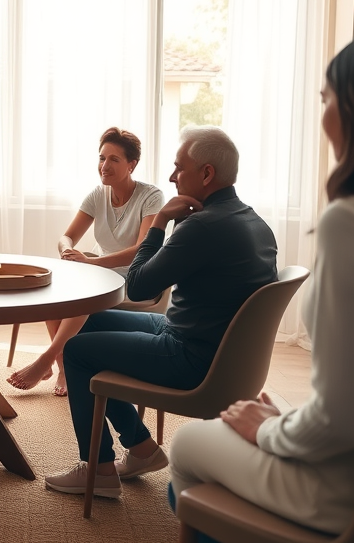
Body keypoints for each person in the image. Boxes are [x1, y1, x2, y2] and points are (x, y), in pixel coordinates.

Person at [168, 22, 354, 543]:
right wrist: (287, 418)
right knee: (268, 410)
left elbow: (343, 419)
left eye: (327, 98)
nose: (324, 115)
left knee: (189, 449)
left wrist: (270, 431)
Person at [44, 125, 278, 499]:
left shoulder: (202, 226)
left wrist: (159, 222)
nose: (171, 177)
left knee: (76, 351)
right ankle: (141, 449)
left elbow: (138, 287)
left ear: (206, 174)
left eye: (178, 168)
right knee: (90, 322)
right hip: (215, 346)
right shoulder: (253, 220)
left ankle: (100, 470)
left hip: (192, 355)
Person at [7, 127, 163, 396]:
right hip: (100, 272)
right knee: (55, 286)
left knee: (84, 284)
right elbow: (67, 236)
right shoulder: (97, 194)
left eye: (114, 159)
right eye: (102, 158)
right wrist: (67, 251)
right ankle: (62, 365)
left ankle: (47, 359)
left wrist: (92, 264)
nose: (105, 165)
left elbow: (142, 250)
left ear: (131, 164)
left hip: (135, 278)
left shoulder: (151, 196)